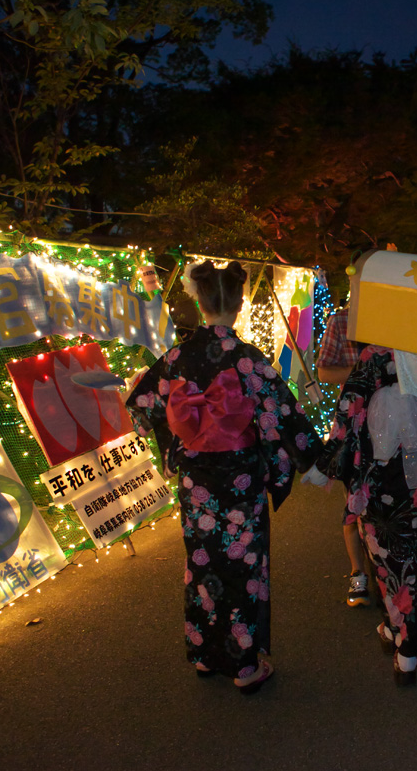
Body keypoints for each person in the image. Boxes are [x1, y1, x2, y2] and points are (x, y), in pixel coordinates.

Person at [126, 261, 322, 694]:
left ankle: (205, 653)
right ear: (238, 304)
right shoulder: (246, 358)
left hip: (196, 480)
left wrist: (176, 430)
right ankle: (244, 665)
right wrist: (313, 457)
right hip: (240, 479)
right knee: (242, 562)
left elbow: (143, 407)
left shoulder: (177, 356)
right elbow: (280, 415)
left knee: (202, 560)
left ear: (198, 300)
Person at [309, 345, 417, 685]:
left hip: (385, 476)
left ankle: (407, 650)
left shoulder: (373, 356)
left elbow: (348, 410)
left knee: (388, 560)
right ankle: (398, 631)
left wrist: (324, 463)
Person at [316, 305, 373, 608]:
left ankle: (389, 574)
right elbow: (324, 370)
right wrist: (367, 373)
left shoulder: (400, 310)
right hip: (352, 422)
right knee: (353, 499)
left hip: (396, 421)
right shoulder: (341, 318)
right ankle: (358, 573)